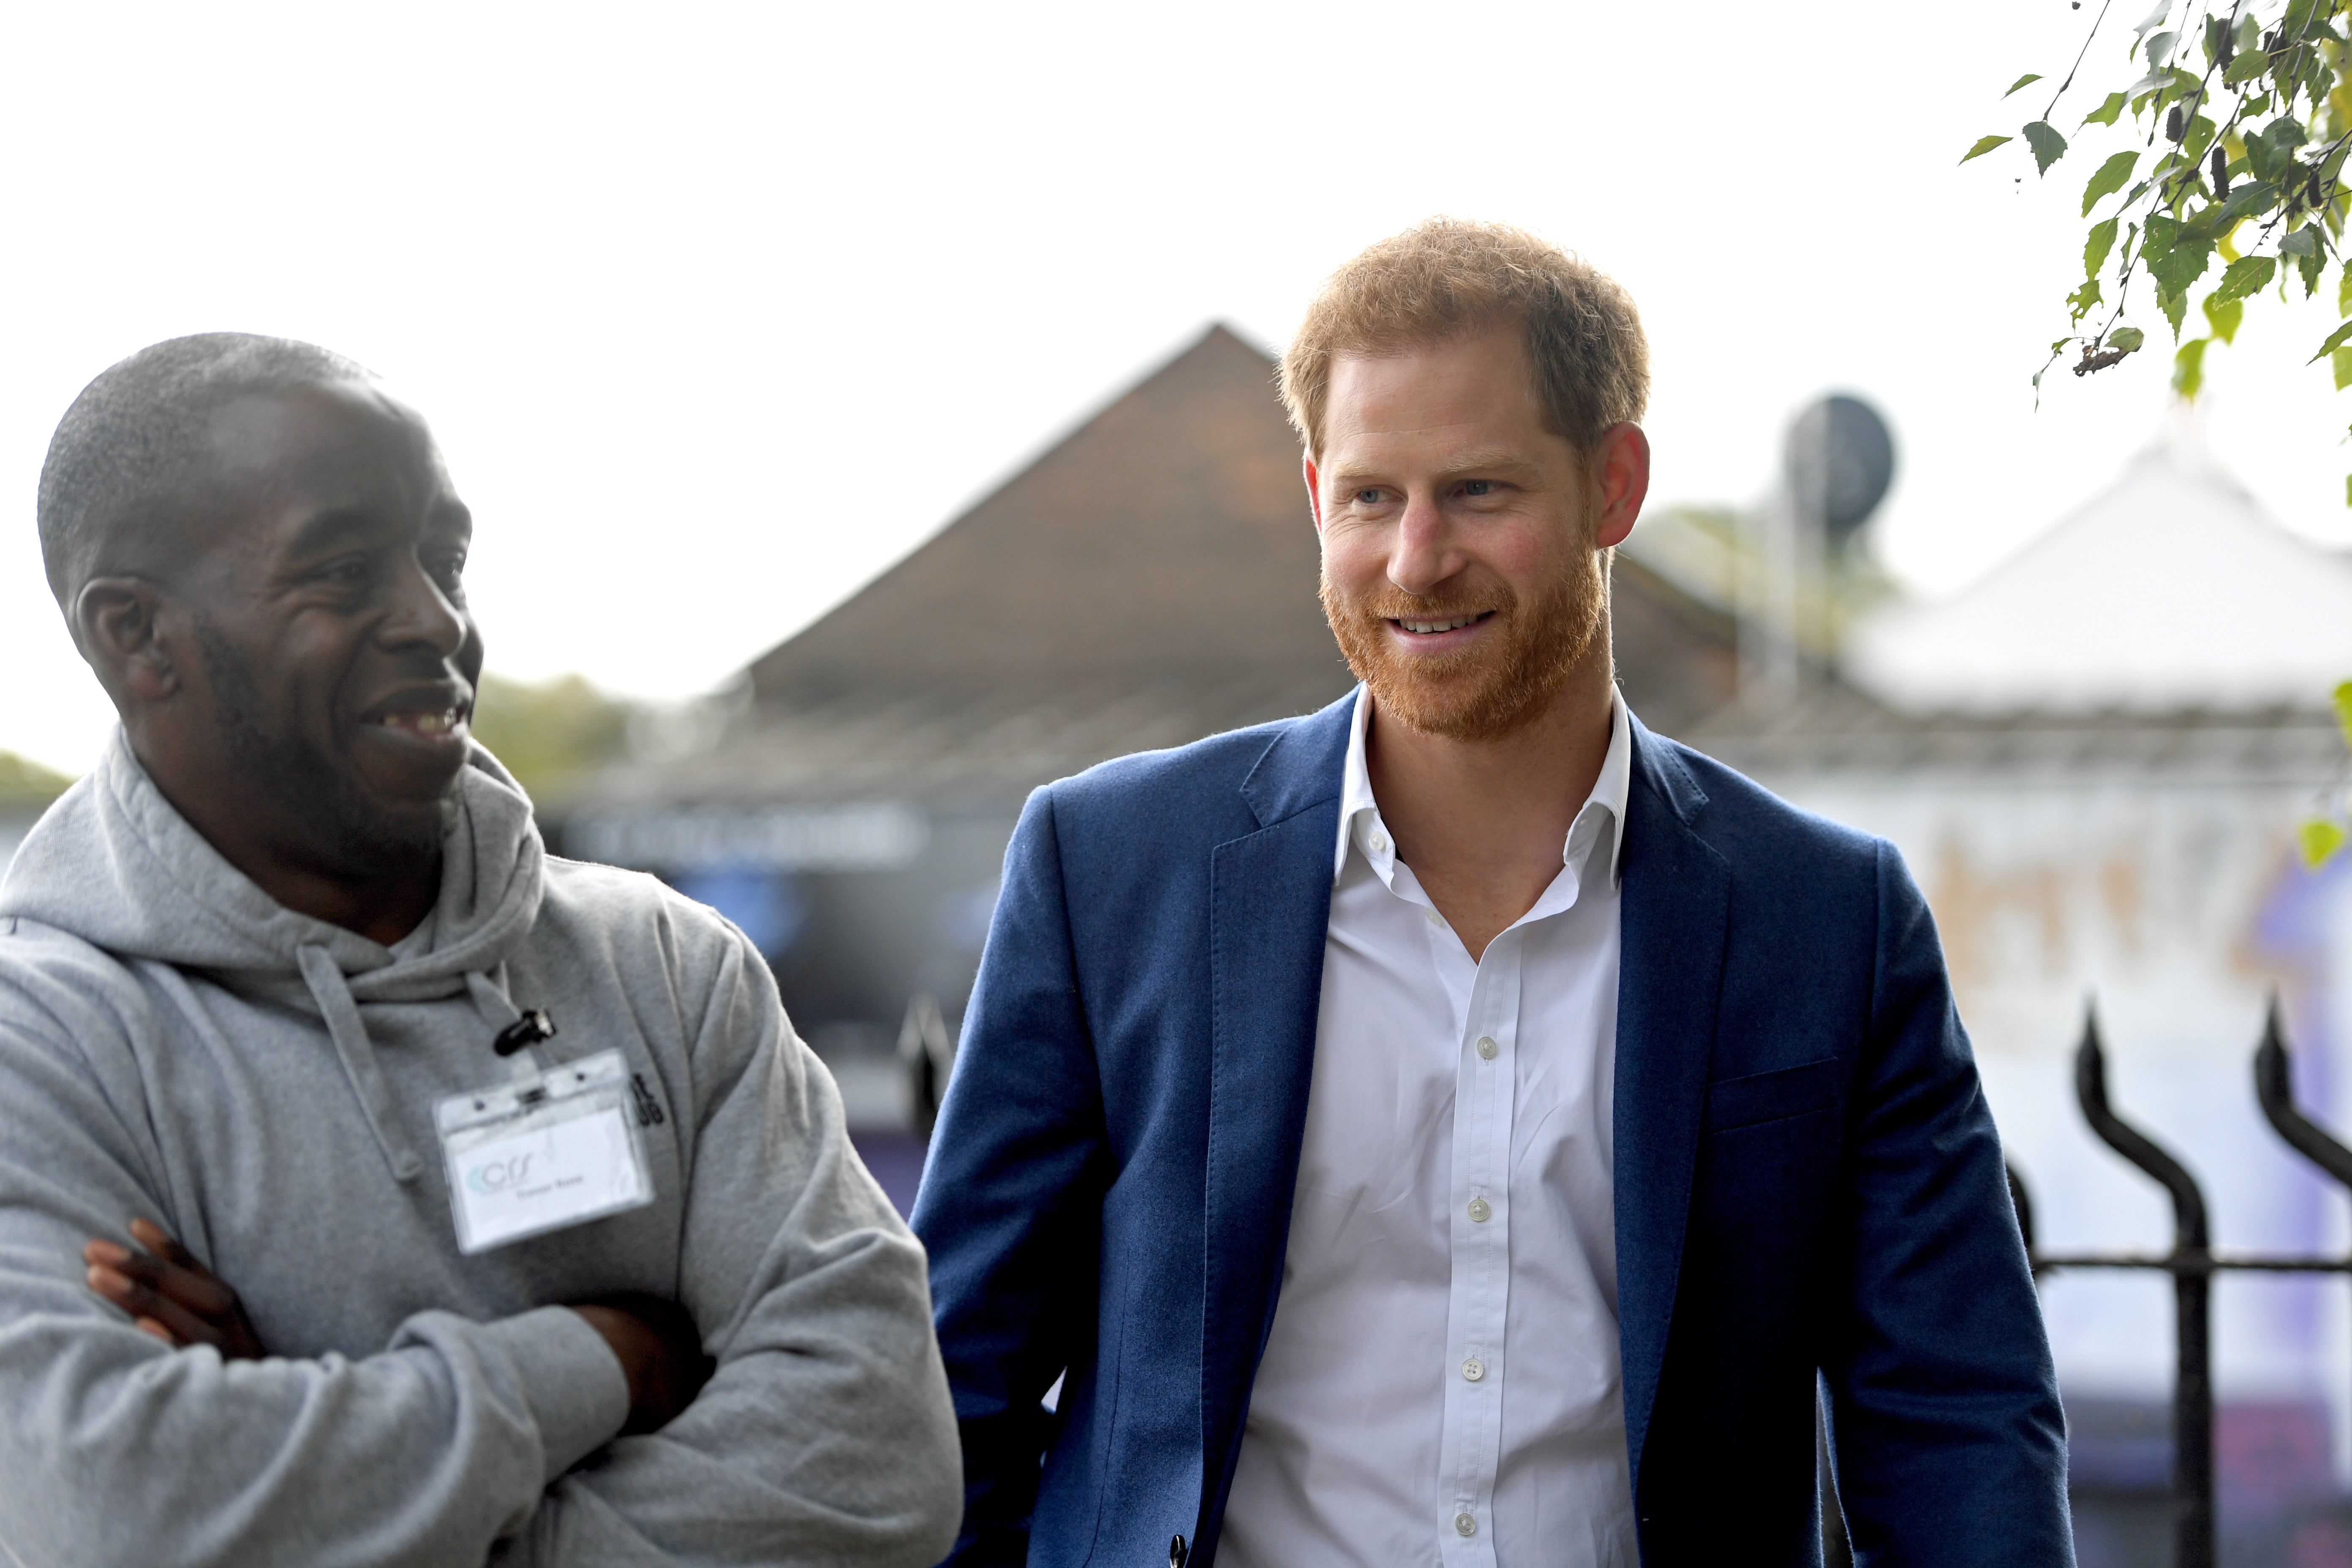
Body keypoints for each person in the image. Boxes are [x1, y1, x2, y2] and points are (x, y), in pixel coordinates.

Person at [912, 220, 2072, 1567]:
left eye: (1476, 491)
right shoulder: (1109, 868)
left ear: (1614, 487)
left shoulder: (1830, 921)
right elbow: (955, 1396)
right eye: (1367, 497)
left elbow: (1955, 1421)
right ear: (1313, 496)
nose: (1415, 560)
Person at [0, 335, 962, 1567]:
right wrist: (608, 1359)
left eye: (444, 558)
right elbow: (124, 1513)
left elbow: (879, 1470)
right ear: (137, 637)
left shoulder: (666, 967)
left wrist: (333, 1497)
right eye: (345, 571)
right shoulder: (46, 1049)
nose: (437, 620)